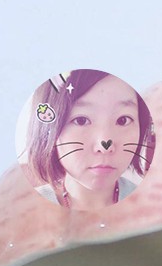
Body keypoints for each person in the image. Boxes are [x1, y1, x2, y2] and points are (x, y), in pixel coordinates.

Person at [23, 69, 154, 210]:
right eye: (81, 120)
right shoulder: (25, 211)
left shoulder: (150, 208)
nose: (105, 146)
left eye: (123, 120)